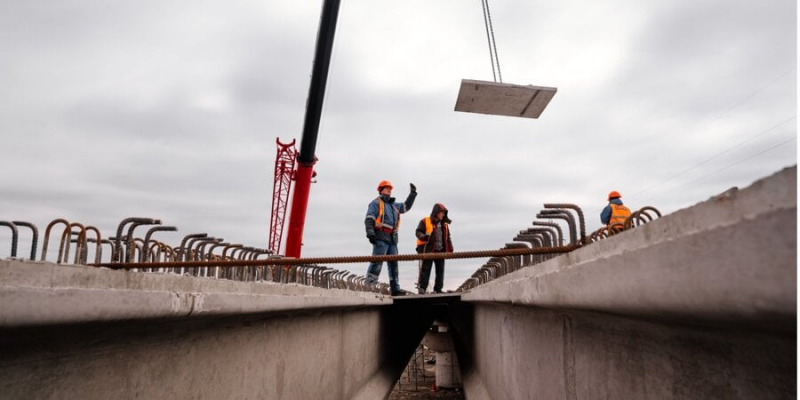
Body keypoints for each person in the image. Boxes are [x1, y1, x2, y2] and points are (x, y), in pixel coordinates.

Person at [365, 180, 417, 296]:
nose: (389, 189)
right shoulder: (375, 203)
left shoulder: (394, 205)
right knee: (377, 262)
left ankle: (395, 289)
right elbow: (369, 219)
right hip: (381, 237)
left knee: (393, 264)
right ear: (381, 190)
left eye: (390, 188)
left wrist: (412, 194)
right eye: (386, 188)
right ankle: (369, 286)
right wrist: (370, 234)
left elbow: (406, 207)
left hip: (392, 239)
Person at [415, 203, 453, 294]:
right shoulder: (425, 221)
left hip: (440, 250)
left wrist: (450, 248)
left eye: (444, 213)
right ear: (436, 213)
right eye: (442, 213)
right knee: (426, 269)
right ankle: (422, 288)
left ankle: (438, 289)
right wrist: (424, 237)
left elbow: (448, 237)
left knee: (440, 270)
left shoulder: (445, 225)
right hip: (428, 249)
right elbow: (418, 232)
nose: (443, 215)